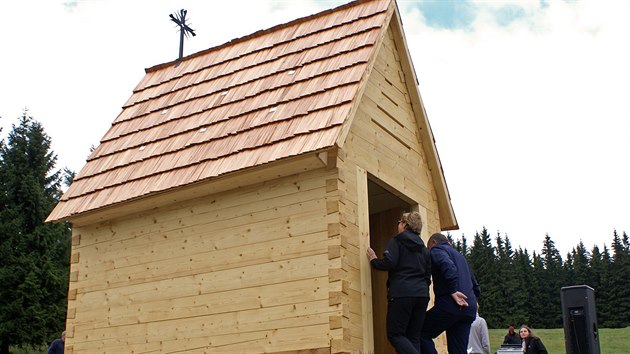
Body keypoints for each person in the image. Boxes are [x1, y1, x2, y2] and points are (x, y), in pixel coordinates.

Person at [366, 211, 431, 354]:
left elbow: (389, 262)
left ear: (405, 225)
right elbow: (427, 277)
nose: (398, 225)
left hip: (402, 293)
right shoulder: (424, 250)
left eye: (399, 222)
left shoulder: (397, 241)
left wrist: (374, 260)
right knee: (413, 337)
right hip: (422, 296)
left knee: (395, 334)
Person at [420, 232, 480, 354]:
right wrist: (473, 301)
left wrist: (453, 290)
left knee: (419, 331)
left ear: (433, 242)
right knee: (458, 350)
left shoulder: (436, 250)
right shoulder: (461, 257)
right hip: (468, 309)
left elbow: (449, 267)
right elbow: (476, 286)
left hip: (450, 305)